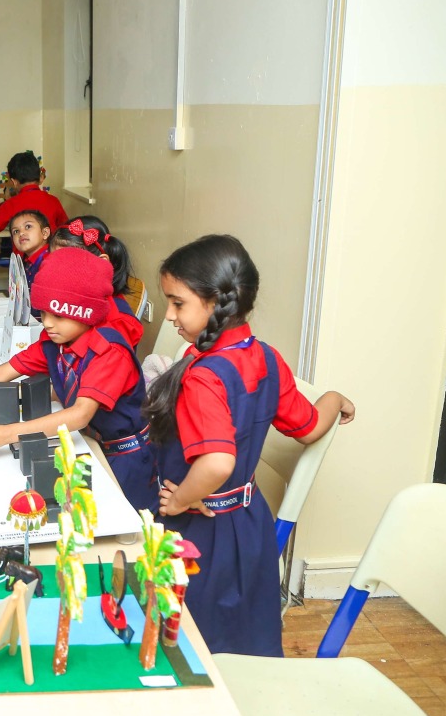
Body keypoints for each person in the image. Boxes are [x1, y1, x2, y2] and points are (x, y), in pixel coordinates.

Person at [144, 234, 355, 656]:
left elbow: (218, 462)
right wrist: (333, 399)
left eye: (177, 302)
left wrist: (182, 500)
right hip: (250, 528)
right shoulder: (266, 357)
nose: (168, 315)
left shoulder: (204, 376)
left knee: (188, 644)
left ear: (214, 301)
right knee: (242, 642)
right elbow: (309, 427)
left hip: (202, 536)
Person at [0, 248, 157, 510]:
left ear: (86, 314)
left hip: (126, 456)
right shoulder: (55, 342)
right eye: (43, 314)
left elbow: (79, 414)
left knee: (125, 522)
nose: (48, 324)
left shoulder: (109, 352)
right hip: (90, 443)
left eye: (59, 316)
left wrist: (7, 434)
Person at [51, 216, 143, 348]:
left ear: (102, 263)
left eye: (67, 263)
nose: (56, 271)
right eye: (53, 261)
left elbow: (114, 363)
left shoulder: (117, 322)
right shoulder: (73, 298)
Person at [0, 152, 68, 270]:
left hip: (23, 266)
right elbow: (66, 230)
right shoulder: (53, 201)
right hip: (53, 263)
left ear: (14, 182)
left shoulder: (11, 204)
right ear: (39, 177)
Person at [8, 209, 51, 318]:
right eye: (15, 231)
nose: (21, 233)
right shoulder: (27, 261)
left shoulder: (49, 260)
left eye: (28, 227)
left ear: (45, 233)